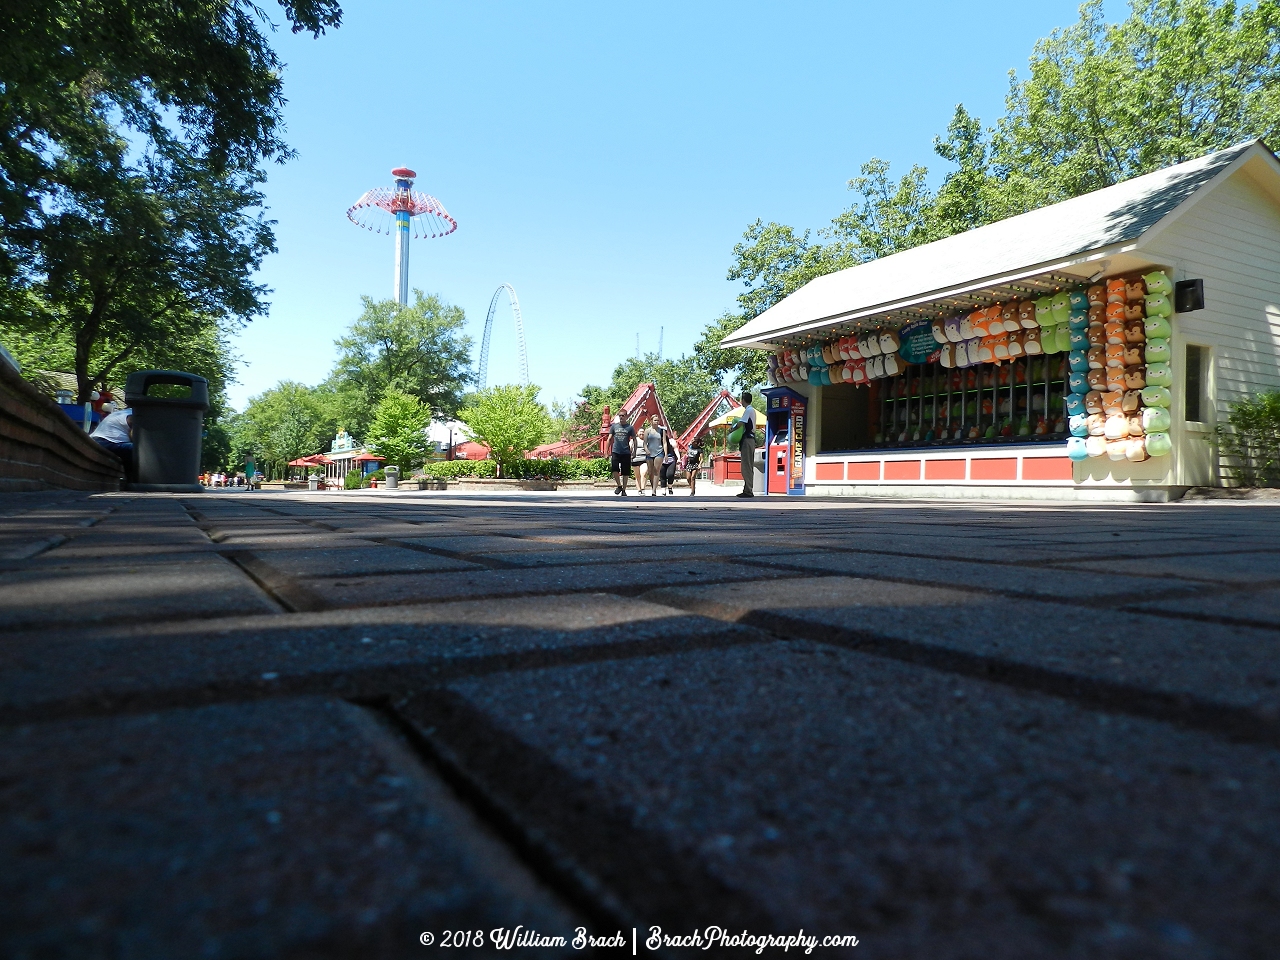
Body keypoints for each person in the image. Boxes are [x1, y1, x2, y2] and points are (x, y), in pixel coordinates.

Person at [90, 406, 133, 482]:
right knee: (138, 450)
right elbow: (135, 437)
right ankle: (133, 480)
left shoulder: (124, 412)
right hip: (107, 441)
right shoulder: (132, 415)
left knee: (132, 450)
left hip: (100, 440)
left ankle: (130, 479)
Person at [733, 391, 758, 498]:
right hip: (750, 439)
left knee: (746, 466)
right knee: (748, 465)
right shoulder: (751, 410)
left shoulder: (748, 410)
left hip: (748, 439)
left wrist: (732, 429)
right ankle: (747, 488)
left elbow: (741, 423)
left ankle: (748, 490)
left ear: (743, 400)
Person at [607, 414, 636, 496]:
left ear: (626, 417)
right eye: (620, 416)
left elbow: (634, 440)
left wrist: (634, 451)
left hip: (626, 452)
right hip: (616, 451)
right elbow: (609, 439)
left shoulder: (630, 427)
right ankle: (619, 485)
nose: (621, 417)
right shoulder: (614, 427)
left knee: (625, 472)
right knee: (614, 469)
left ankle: (624, 489)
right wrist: (606, 452)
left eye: (623, 416)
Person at [642, 415, 666, 497]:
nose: (657, 422)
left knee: (656, 471)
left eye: (658, 420)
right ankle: (653, 486)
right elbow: (644, 443)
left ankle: (654, 490)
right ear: (651, 421)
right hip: (649, 452)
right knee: (650, 471)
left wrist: (666, 454)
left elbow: (664, 443)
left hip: (659, 452)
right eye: (655, 420)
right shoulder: (647, 431)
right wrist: (646, 450)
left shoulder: (662, 431)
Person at [659, 424, 680, 495]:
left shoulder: (671, 441)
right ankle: (663, 490)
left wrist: (679, 458)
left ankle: (670, 487)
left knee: (670, 474)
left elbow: (676, 449)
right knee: (662, 475)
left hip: (671, 459)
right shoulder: (657, 441)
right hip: (661, 459)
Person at [684, 430, 706, 496]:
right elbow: (686, 453)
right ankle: (692, 487)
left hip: (695, 464)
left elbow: (702, 458)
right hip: (689, 463)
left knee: (693, 477)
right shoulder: (689, 446)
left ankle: (692, 492)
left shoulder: (699, 449)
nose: (692, 441)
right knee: (688, 478)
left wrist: (700, 465)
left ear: (696, 443)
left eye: (694, 441)